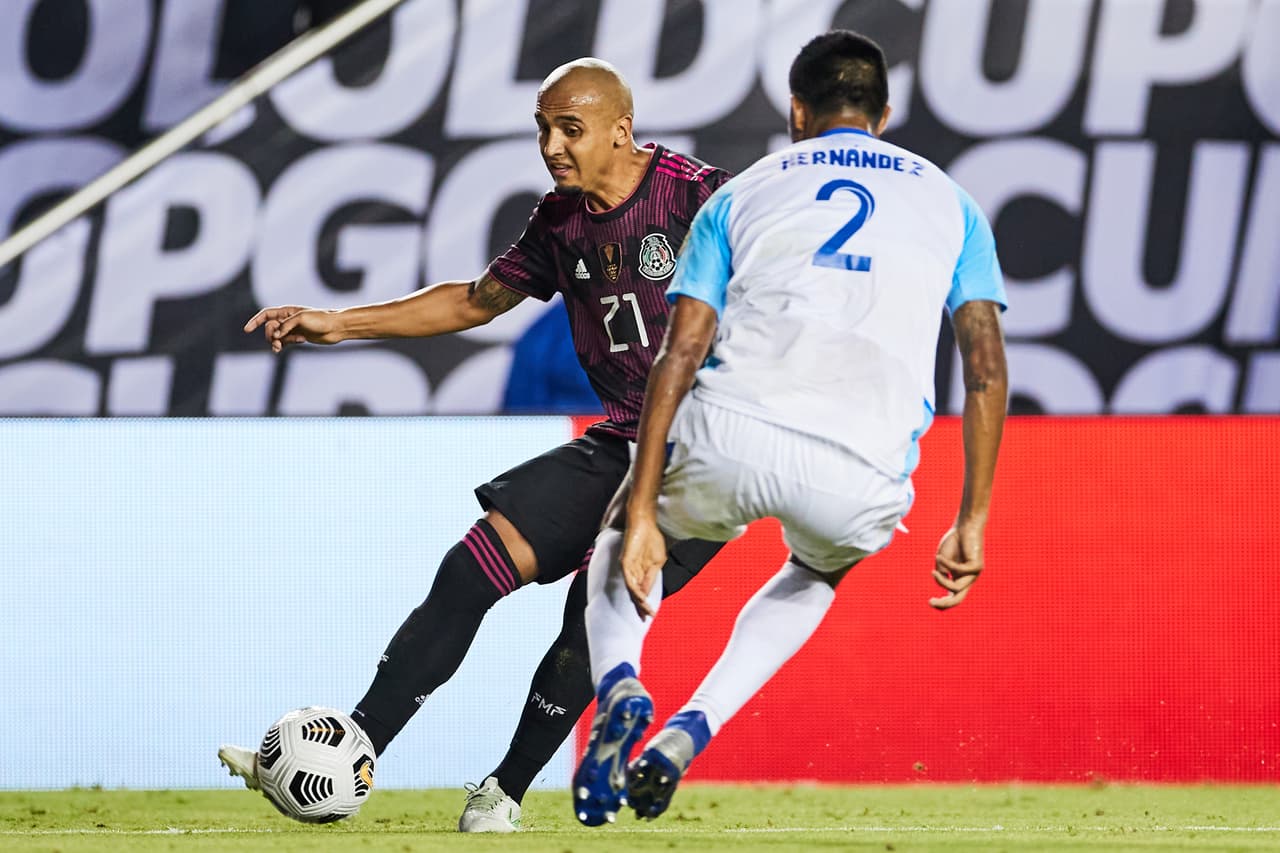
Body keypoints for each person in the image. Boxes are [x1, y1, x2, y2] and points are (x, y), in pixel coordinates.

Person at [218, 57, 730, 832]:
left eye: (571, 128)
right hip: (621, 441)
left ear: (622, 131)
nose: (552, 146)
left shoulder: (703, 197)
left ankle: (503, 793)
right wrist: (341, 322)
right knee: (471, 567)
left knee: (588, 614)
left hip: (707, 458)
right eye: (542, 129)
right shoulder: (559, 222)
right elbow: (474, 300)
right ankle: (348, 749)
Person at [571, 30, 1009, 826]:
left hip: (732, 428)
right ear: (884, 112)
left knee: (614, 537)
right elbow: (984, 366)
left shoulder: (739, 193)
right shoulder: (955, 203)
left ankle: (621, 685)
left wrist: (640, 514)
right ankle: (689, 731)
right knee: (819, 568)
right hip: (862, 467)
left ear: (797, 112)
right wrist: (971, 516)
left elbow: (682, 350)